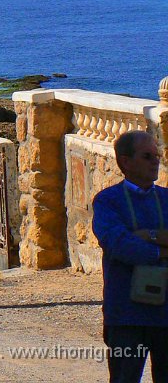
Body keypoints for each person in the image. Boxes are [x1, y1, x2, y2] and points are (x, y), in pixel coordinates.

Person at [93, 130, 168, 383]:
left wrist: (146, 236)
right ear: (125, 162)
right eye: (147, 156)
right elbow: (118, 244)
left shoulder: (166, 199)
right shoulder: (107, 201)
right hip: (126, 315)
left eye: (156, 156)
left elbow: (128, 243)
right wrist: (161, 250)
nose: (155, 161)